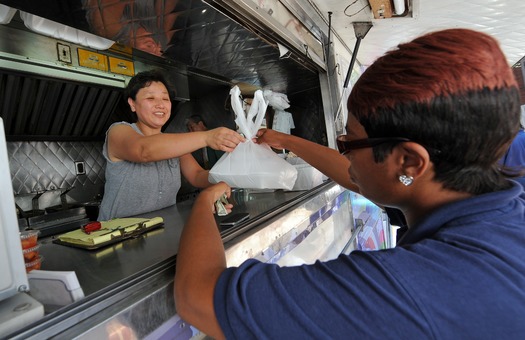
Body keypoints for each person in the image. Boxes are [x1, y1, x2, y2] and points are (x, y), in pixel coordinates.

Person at [174, 28, 525, 338]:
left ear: (409, 162)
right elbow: (358, 177)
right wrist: (288, 141)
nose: (345, 153)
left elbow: (197, 296)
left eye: (350, 142)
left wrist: (205, 202)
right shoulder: (496, 212)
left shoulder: (409, 291)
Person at [98, 70, 244, 220]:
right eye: (150, 98)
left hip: (161, 230)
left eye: (165, 99)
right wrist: (207, 137)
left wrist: (227, 178)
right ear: (132, 104)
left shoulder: (174, 143)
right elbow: (144, 150)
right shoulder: (118, 131)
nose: (160, 105)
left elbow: (196, 175)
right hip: (117, 236)